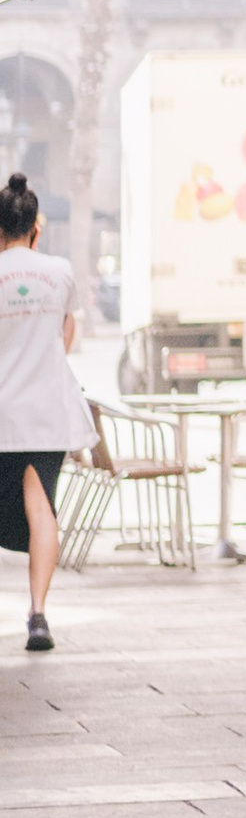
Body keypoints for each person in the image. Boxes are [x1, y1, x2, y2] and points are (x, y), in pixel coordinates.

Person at [0, 175, 94, 653]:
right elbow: (66, 332)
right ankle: (37, 614)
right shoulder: (59, 271)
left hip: (2, 412)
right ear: (35, 228)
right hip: (46, 413)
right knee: (41, 510)